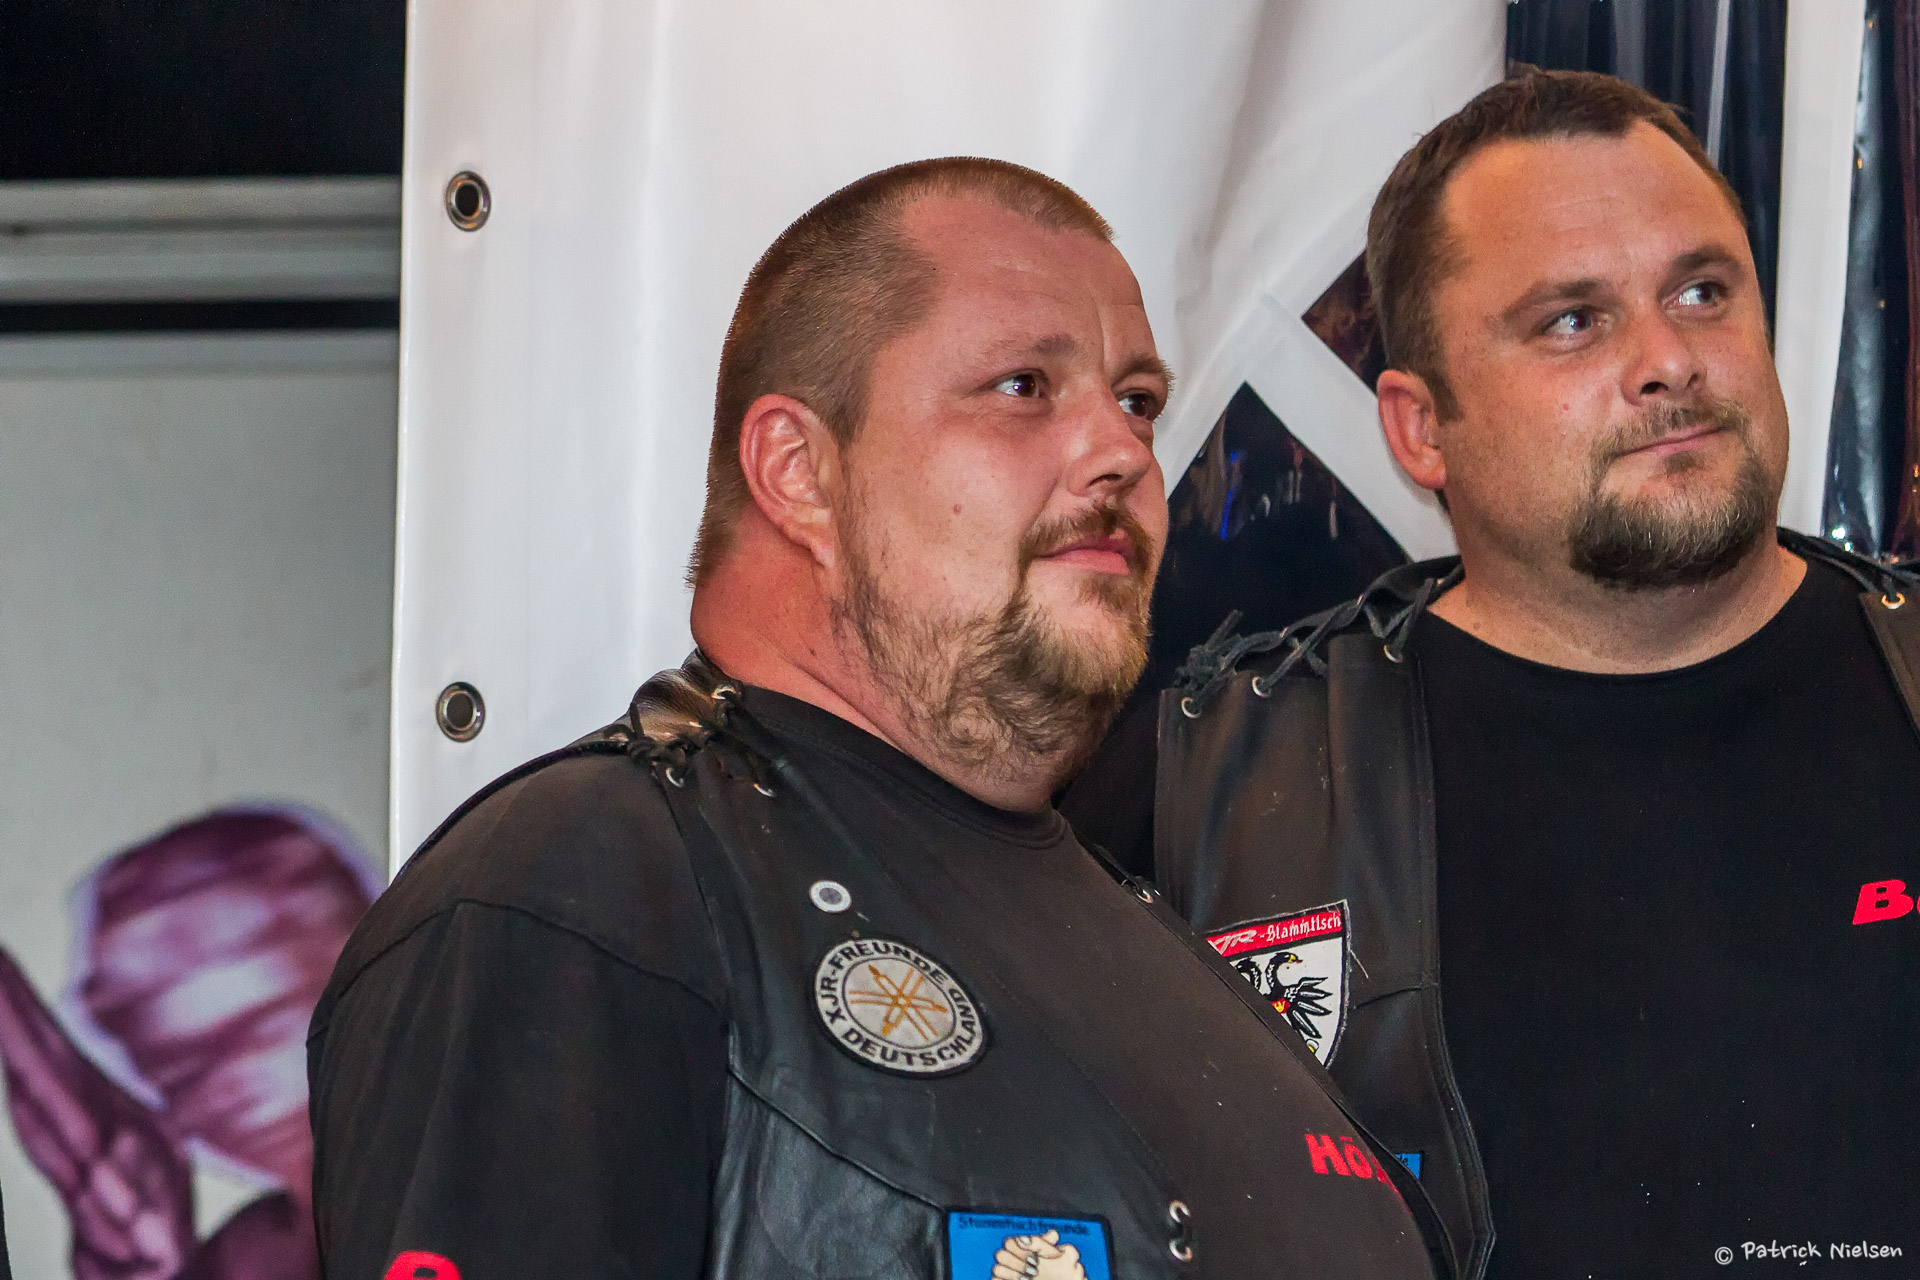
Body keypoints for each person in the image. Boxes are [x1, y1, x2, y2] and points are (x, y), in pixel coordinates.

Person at [307, 157, 1445, 1280]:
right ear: (798, 470)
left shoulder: (1156, 921)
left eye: (1138, 401)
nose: (1124, 454)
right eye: (1023, 387)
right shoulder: (583, 885)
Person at [1136, 70, 1920, 1278]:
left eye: (1702, 291)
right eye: (1572, 319)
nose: (1668, 359)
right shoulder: (1206, 791)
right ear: (1420, 428)